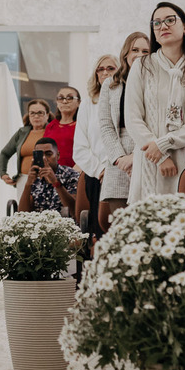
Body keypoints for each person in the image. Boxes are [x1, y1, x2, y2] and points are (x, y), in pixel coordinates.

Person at [126, 2, 185, 203]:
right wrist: (159, 156)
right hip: (151, 160)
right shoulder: (142, 66)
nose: (163, 26)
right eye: (157, 23)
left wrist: (164, 143)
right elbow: (132, 118)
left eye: (170, 20)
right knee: (150, 225)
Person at [97, 32, 151, 222]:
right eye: (134, 50)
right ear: (126, 53)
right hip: (117, 158)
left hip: (145, 153)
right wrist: (120, 158)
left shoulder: (154, 82)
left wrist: (136, 157)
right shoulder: (110, 84)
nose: (138, 54)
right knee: (121, 226)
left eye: (145, 51)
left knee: (145, 221)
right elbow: (105, 125)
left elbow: (154, 124)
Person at [73, 55, 119, 236]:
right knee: (100, 232)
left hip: (123, 171)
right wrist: (101, 170)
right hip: (97, 176)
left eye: (110, 68)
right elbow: (80, 148)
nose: (105, 72)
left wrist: (114, 167)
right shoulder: (87, 104)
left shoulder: (126, 99)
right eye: (101, 69)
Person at [0, 99, 51, 205]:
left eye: (40, 113)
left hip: (47, 179)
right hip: (23, 179)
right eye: (32, 113)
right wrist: (3, 174)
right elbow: (5, 153)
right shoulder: (22, 133)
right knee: (24, 212)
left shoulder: (53, 131)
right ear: (29, 115)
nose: (36, 116)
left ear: (47, 115)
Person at [18, 138, 79, 214]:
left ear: (58, 155)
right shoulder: (35, 177)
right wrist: (28, 184)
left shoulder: (71, 175)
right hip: (39, 223)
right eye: (40, 155)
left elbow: (74, 210)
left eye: (48, 154)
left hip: (63, 223)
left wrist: (56, 182)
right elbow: (22, 214)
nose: (44, 159)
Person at [44, 86, 80, 167]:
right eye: (60, 98)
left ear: (79, 102)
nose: (64, 101)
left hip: (76, 173)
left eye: (69, 98)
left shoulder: (82, 125)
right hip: (52, 174)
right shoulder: (51, 126)